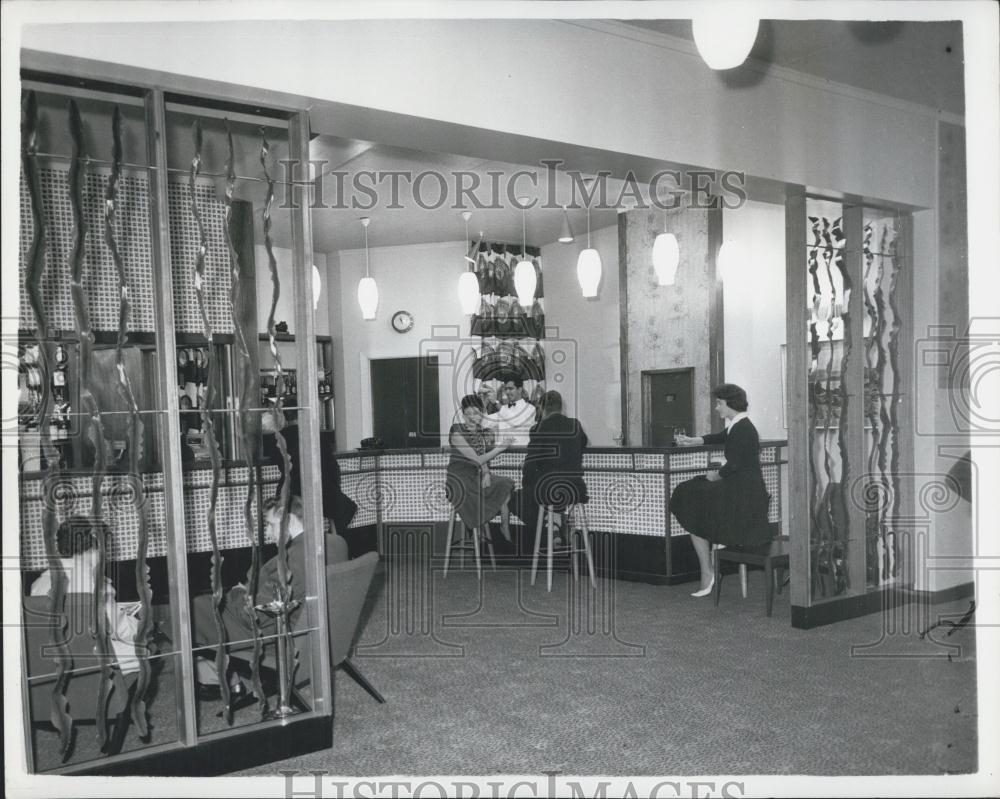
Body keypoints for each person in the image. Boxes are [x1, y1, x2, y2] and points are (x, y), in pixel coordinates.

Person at [190, 494, 312, 696]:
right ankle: (219, 676)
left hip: (273, 631)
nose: (268, 531)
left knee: (192, 609)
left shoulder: (289, 561)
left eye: (271, 524)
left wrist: (240, 592)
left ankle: (219, 680)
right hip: (303, 626)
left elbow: (254, 615)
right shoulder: (332, 544)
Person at [669, 383, 772, 597]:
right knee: (691, 496)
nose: (716, 408)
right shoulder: (739, 425)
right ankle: (713, 554)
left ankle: (708, 572)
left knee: (688, 498)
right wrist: (694, 440)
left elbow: (734, 464)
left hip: (743, 494)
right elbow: (720, 437)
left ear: (730, 404)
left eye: (719, 403)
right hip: (742, 489)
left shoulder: (743, 428)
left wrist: (715, 475)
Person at [30, 516, 141, 673]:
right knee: (149, 649)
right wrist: (140, 626)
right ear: (94, 548)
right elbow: (121, 630)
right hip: (92, 659)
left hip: (51, 663)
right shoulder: (94, 584)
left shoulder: (38, 584)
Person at [511, 390, 589, 551]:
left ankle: (551, 526)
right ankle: (555, 522)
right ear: (561, 407)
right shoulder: (575, 424)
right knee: (550, 495)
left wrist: (527, 484)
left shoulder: (538, 428)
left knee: (516, 498)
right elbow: (583, 443)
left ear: (541, 407)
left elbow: (531, 464)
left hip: (548, 490)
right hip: (574, 489)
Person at [262, 408, 358, 537]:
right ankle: (334, 542)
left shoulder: (277, 438)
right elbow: (332, 465)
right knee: (338, 510)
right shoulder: (316, 434)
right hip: (320, 486)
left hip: (295, 489)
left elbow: (282, 463)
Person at [446, 394, 514, 543]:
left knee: (506, 484)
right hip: (458, 481)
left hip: (474, 477)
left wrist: (487, 473)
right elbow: (476, 459)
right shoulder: (457, 431)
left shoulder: (481, 433)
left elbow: (481, 456)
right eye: (468, 413)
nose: (471, 417)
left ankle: (504, 525)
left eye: (475, 413)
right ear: (463, 415)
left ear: (482, 414)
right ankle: (480, 530)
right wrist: (500, 448)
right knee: (478, 493)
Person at [485, 377, 536, 446]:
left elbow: (515, 421)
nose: (507, 392)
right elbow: (485, 422)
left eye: (511, 389)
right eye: (506, 389)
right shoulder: (504, 408)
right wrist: (483, 403)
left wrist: (496, 402)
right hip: (502, 454)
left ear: (519, 390)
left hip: (522, 453)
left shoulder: (530, 409)